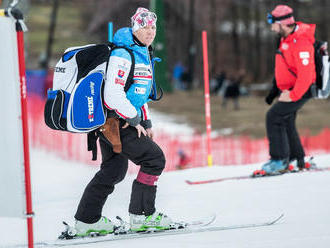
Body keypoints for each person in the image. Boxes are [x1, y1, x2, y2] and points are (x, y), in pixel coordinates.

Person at [73, 7, 172, 236]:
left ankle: (87, 221)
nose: (150, 31)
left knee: (114, 169)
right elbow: (113, 94)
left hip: (120, 120)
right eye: (145, 27)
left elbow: (138, 94)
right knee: (154, 158)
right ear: (135, 28)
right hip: (116, 122)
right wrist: (134, 118)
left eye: (153, 27)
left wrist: (146, 122)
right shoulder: (122, 54)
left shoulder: (142, 53)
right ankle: (143, 216)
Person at [261, 5, 316, 174]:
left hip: (302, 89)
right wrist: (275, 90)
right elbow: (284, 67)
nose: (271, 26)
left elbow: (306, 76)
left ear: (282, 23)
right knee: (286, 119)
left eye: (273, 22)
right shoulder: (287, 38)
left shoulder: (300, 42)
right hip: (291, 89)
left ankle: (279, 161)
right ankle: (297, 159)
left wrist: (293, 95)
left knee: (274, 116)